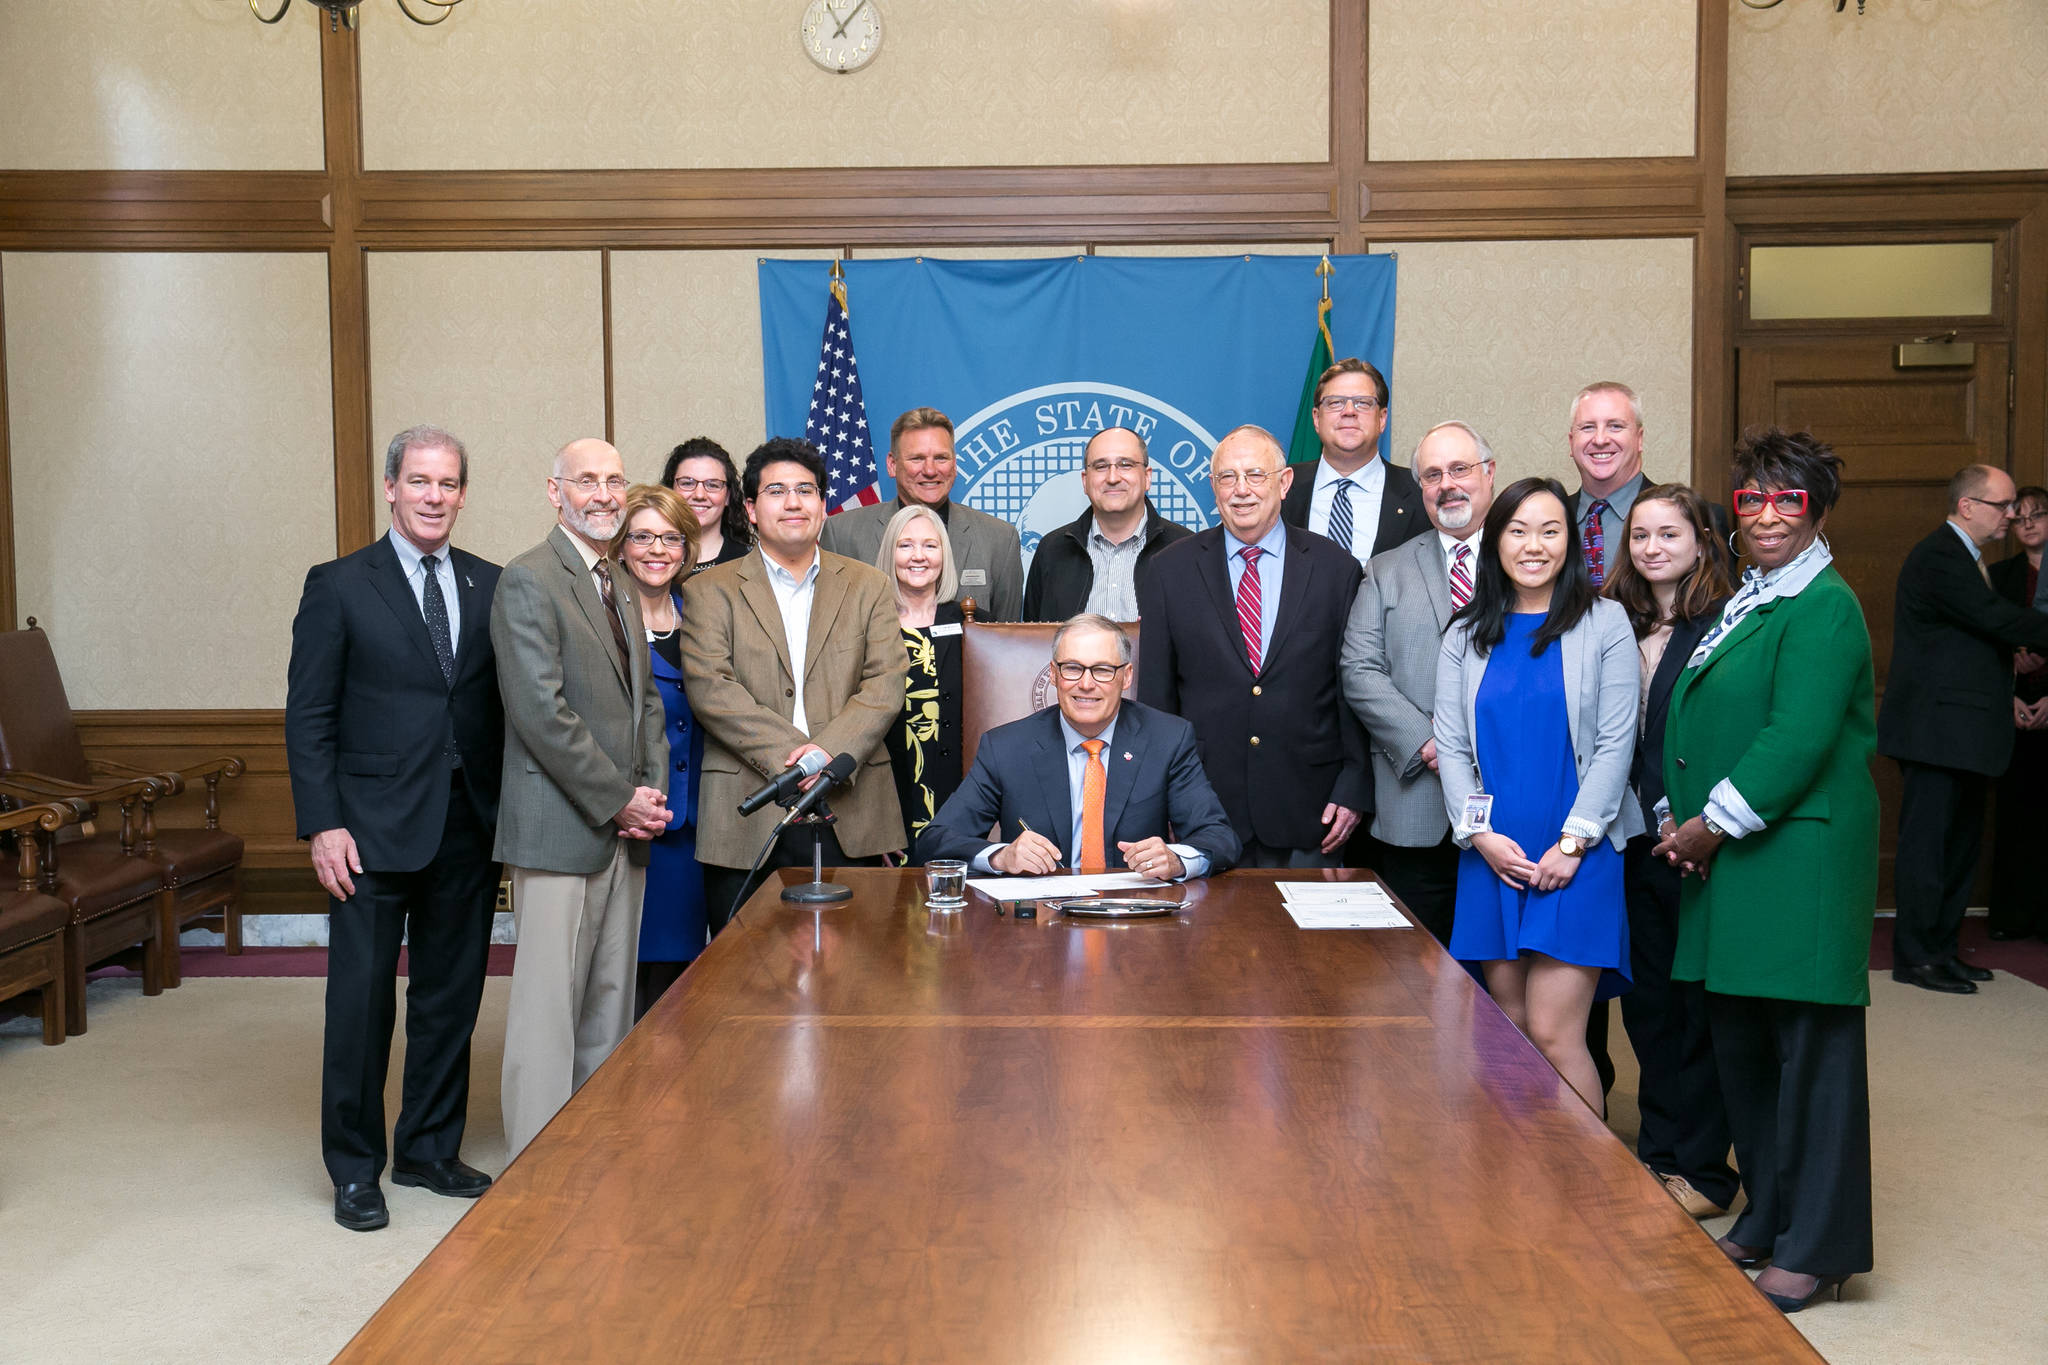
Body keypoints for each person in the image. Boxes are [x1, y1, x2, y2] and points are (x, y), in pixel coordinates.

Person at [1655, 428, 1877, 1312]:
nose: (1770, 513)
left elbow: (1797, 737)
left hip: (1797, 863)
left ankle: (1819, 1247)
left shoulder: (1825, 604)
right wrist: (1680, 817)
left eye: (1790, 498)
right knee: (1744, 1048)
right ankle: (1771, 1208)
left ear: (1818, 509)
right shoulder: (1753, 597)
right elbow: (1700, 713)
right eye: (1753, 498)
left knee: (1812, 1059)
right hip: (1737, 862)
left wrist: (1708, 825)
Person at [286, 424, 503, 1232]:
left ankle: (427, 1147)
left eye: (448, 483)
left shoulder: (490, 583)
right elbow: (308, 715)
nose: (434, 496)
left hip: (466, 826)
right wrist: (323, 824)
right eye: (419, 481)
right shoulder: (340, 584)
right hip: (367, 833)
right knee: (362, 1005)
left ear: (462, 493)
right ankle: (354, 1167)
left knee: (450, 1000)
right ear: (390, 487)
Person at [492, 438, 671, 1159]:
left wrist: (649, 791)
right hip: (561, 829)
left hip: (625, 830)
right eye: (587, 480)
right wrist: (620, 797)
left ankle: (595, 1149)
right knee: (547, 1013)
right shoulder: (530, 578)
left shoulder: (620, 583)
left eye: (615, 479)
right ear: (554, 491)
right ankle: (536, 1167)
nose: (603, 492)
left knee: (608, 1005)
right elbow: (540, 713)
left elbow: (646, 702)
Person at [1435, 476, 1637, 1115]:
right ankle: (1522, 1188)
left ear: (1570, 542)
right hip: (1495, 857)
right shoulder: (1466, 634)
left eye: (1550, 530)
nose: (1533, 545)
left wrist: (1574, 844)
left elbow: (1614, 744)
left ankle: (1587, 1193)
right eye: (1518, 531)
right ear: (1495, 543)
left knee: (1554, 1032)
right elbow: (1454, 749)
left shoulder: (1605, 623)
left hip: (1576, 854)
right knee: (1510, 1031)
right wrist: (1481, 839)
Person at [682, 438, 908, 924]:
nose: (793, 502)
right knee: (745, 982)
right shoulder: (707, 590)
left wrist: (828, 754)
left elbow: (886, 681)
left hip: (852, 804)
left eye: (805, 490)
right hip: (751, 807)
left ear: (823, 506)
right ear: (750, 508)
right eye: (777, 490)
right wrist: (800, 758)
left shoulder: (869, 585)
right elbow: (711, 688)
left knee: (858, 978)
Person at [1599, 484, 1738, 1222]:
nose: (1652, 547)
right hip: (1632, 843)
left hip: (1698, 843)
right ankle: (1659, 1154)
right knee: (1649, 1009)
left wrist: (1701, 826)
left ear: (1701, 542)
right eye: (1641, 536)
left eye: (1668, 534)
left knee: (1696, 1011)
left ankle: (1707, 1172)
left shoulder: (1723, 622)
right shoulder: (1614, 620)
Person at [1139, 425, 1367, 867]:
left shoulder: (1335, 569)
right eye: (1227, 478)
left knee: (1309, 938)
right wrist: (1160, 795)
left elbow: (1350, 686)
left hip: (1310, 805)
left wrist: (1354, 784)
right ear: (1214, 488)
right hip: (1204, 805)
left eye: (1255, 476)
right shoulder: (1170, 570)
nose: (1241, 491)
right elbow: (1156, 696)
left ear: (1283, 484)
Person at [1877, 462, 2048, 992]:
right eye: (2004, 506)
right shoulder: (1939, 556)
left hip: (1964, 734)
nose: (2013, 515)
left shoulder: (1968, 558)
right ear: (1968, 506)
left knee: (1958, 849)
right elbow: (1995, 619)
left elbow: (1976, 637)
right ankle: (1916, 958)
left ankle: (1942, 951)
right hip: (1937, 734)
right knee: (1930, 849)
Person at [916, 614, 1240, 879]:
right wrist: (1002, 856)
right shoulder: (1005, 747)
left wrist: (1178, 859)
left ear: (1126, 677)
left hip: (1135, 922)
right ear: (1054, 675)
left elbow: (1219, 838)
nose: (1086, 684)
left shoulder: (1168, 739)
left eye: (1102, 670)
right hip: (1040, 927)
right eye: (1072, 668)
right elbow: (935, 840)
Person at [1338, 420, 1497, 943]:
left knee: (1508, 988)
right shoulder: (1386, 569)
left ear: (1489, 473)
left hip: (1514, 812)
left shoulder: (1531, 558)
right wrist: (1432, 744)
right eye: (1432, 475)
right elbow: (1359, 668)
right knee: (1413, 983)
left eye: (1460, 469)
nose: (1447, 484)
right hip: (1416, 815)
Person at [610, 484, 707, 1020]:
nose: (657, 549)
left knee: (682, 978)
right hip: (629, 823)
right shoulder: (602, 616)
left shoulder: (704, 612)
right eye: (643, 536)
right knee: (624, 980)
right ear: (621, 544)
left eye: (671, 537)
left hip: (696, 826)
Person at [819, 406, 1025, 620]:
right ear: (892, 464)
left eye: (941, 458)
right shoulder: (842, 534)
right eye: (917, 458)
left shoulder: (1000, 539)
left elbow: (1005, 639)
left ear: (954, 465)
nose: (929, 470)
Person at [1562, 381, 1730, 589]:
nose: (1600, 439)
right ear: (1571, 442)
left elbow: (1719, 613)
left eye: (1615, 426)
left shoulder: (1701, 517)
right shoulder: (1550, 522)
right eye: (1588, 427)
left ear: (1639, 439)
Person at [1022, 426, 1191, 621]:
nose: (1112, 478)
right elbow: (1032, 639)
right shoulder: (1052, 550)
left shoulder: (1184, 549)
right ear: (1085, 481)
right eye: (1101, 466)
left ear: (1147, 477)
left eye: (1125, 464)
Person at [1280, 358, 1427, 566]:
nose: (1349, 411)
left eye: (1363, 403)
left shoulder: (1421, 491)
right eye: (1335, 403)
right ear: (1316, 418)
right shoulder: (1279, 487)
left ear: (1382, 418)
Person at [877, 502, 965, 844]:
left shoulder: (974, 624)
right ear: (890, 553)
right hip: (892, 795)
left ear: (944, 555)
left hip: (961, 794)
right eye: (906, 545)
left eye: (930, 545)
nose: (919, 556)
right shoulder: (870, 624)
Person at [1988, 485, 2048, 943]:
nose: (2027, 523)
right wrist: (2010, 670)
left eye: (2038, 514)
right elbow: (1985, 641)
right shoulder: (1997, 574)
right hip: (2009, 708)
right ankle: (2011, 916)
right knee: (2014, 815)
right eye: (2019, 516)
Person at [662, 437, 752, 573]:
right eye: (687, 483)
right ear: (670, 491)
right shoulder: (651, 560)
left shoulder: (749, 562)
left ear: (728, 496)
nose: (699, 495)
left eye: (712, 485)